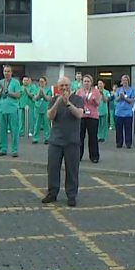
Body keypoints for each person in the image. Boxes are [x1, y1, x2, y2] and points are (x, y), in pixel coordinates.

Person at [43, 76, 85, 207]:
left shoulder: (78, 99)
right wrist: (58, 102)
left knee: (72, 170)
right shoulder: (54, 100)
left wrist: (68, 103)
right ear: (58, 87)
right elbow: (49, 116)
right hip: (56, 141)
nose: (64, 88)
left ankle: (71, 195)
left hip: (72, 142)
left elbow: (79, 114)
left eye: (66, 85)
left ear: (70, 86)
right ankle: (52, 193)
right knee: (52, 168)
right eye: (61, 86)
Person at [0, 65, 22, 157]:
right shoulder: (0, 82)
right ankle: (3, 149)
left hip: (13, 109)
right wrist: (2, 89)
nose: (6, 73)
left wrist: (8, 92)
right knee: (2, 130)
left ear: (11, 72)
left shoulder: (15, 82)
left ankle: (15, 150)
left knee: (14, 130)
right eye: (5, 71)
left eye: (8, 71)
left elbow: (18, 95)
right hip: (2, 109)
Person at [77, 74, 102, 163]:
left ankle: (94, 156)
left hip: (93, 116)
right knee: (80, 137)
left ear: (91, 82)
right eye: (85, 81)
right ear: (82, 82)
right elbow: (76, 103)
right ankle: (78, 155)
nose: (86, 83)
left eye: (88, 81)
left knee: (93, 137)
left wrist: (94, 99)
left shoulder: (95, 91)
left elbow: (98, 103)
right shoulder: (79, 91)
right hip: (82, 116)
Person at [114, 75, 135, 149]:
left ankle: (128, 143)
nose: (125, 82)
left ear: (128, 81)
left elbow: (132, 100)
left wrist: (125, 98)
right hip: (119, 112)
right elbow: (116, 99)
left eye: (126, 80)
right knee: (118, 129)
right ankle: (119, 142)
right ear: (121, 81)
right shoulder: (118, 90)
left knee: (128, 129)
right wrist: (120, 97)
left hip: (128, 113)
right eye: (123, 80)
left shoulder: (132, 90)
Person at [32, 76, 53, 144]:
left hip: (45, 108)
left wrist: (43, 94)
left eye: (42, 81)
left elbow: (48, 98)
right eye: (40, 81)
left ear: (45, 82)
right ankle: (35, 138)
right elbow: (35, 98)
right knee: (37, 124)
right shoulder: (36, 89)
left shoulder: (48, 89)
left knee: (46, 124)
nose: (41, 83)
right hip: (37, 108)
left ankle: (47, 138)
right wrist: (39, 94)